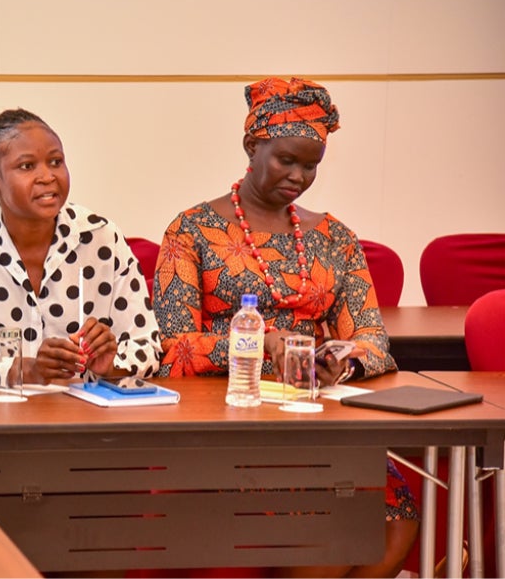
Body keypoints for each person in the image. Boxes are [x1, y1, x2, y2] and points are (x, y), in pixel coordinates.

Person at [153, 78, 418, 577]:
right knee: (322, 527)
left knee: (395, 517)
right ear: (253, 145)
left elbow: (374, 340)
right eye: (286, 160)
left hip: (318, 419)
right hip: (229, 422)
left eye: (311, 165)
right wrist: (255, 346)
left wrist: (344, 359)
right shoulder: (191, 231)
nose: (299, 176)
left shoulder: (335, 238)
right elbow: (171, 349)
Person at [0, 108, 160, 385]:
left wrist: (111, 363)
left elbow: (149, 348)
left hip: (83, 418)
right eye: (27, 166)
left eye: (56, 162)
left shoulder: (101, 238)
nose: (47, 176)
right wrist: (20, 370)